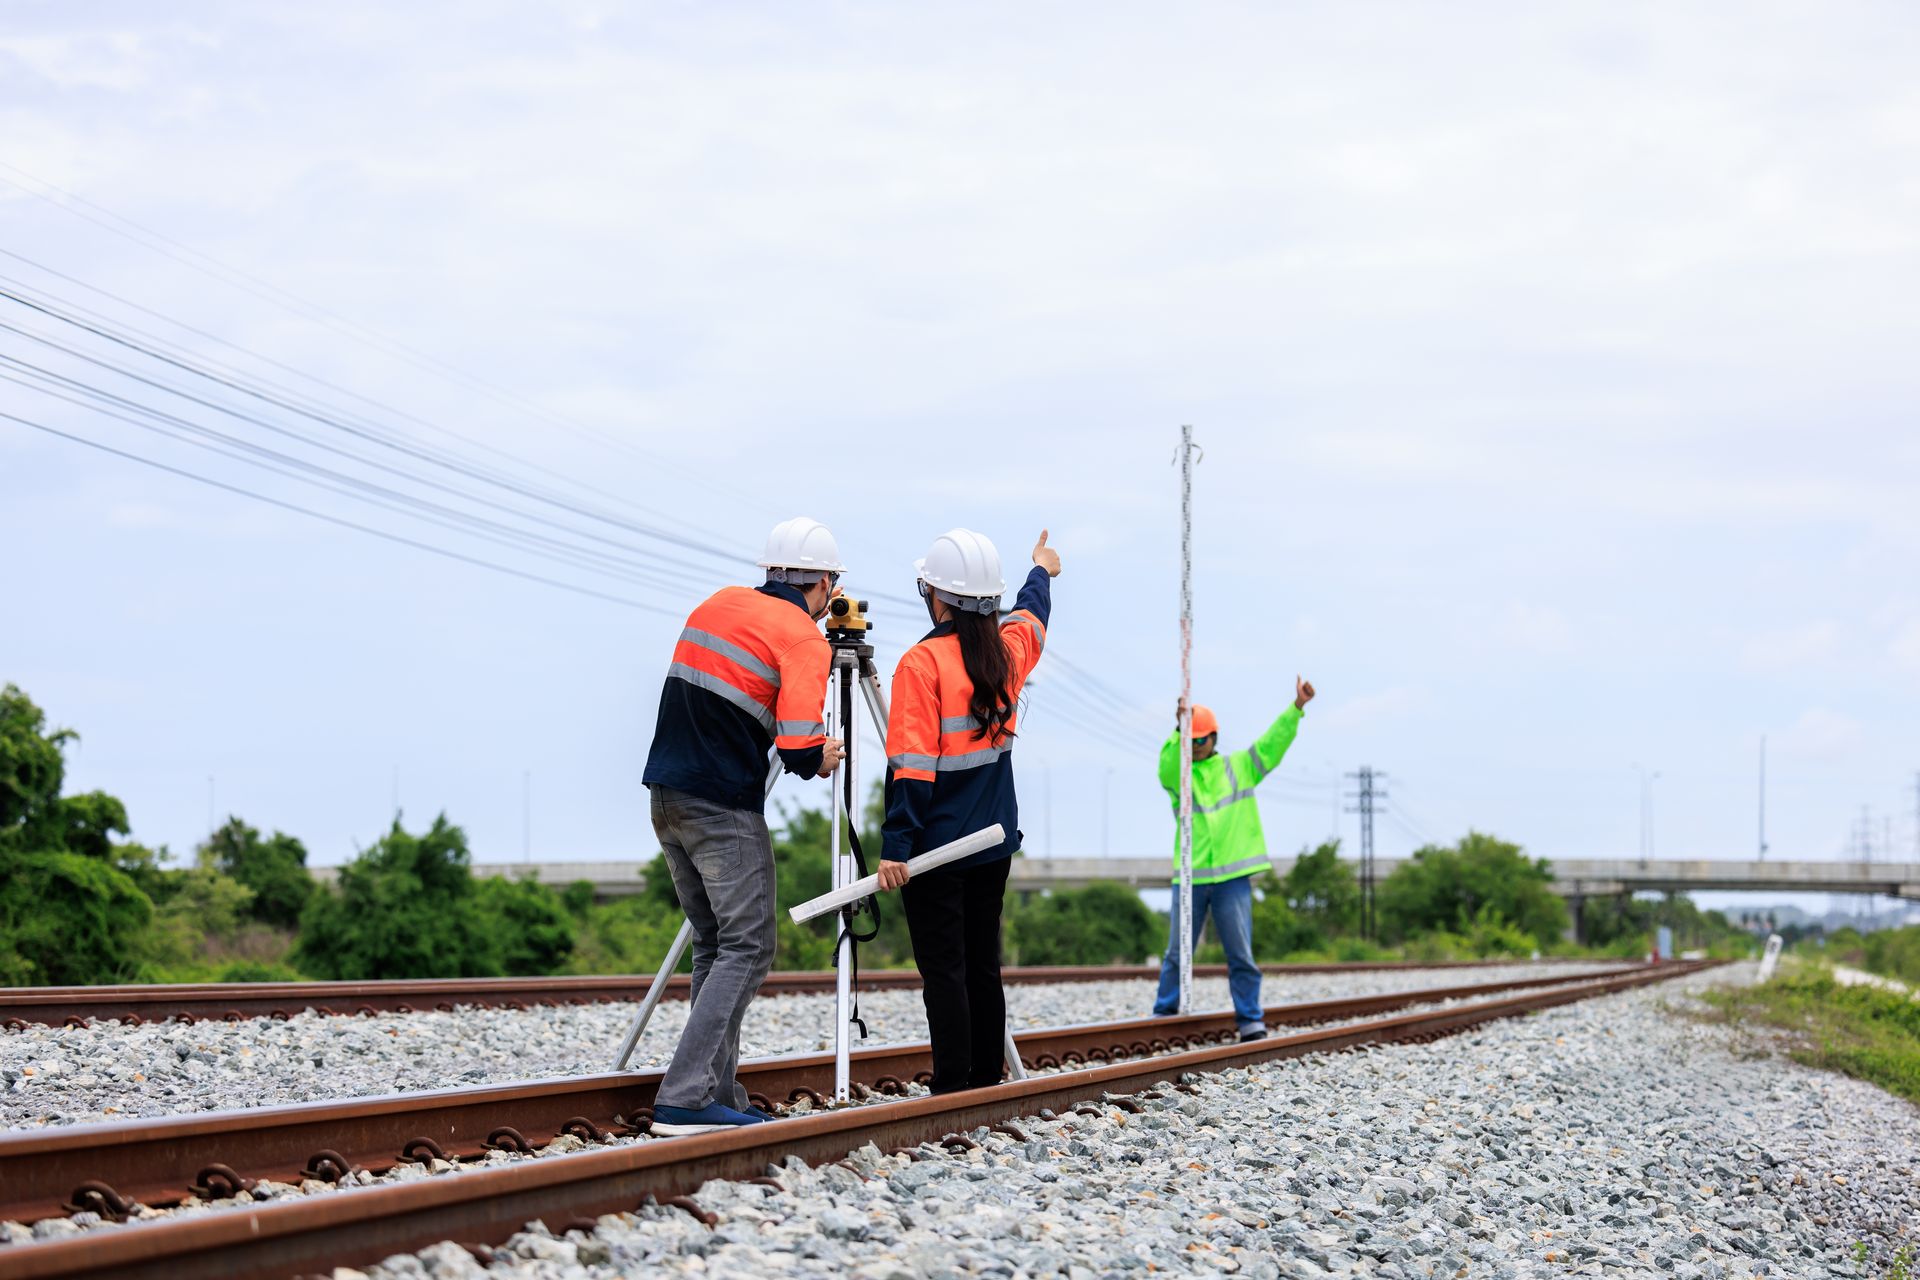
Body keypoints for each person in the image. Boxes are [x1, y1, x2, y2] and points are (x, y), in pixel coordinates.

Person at [640, 516, 847, 1134]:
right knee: (750, 945)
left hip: (665, 796)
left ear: (771, 572)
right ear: (826, 584)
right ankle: (683, 1096)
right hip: (722, 807)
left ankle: (716, 1093)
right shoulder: (806, 640)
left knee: (716, 945)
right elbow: (803, 749)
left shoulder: (718, 604)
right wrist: (826, 756)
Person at [875, 528, 1061, 1093]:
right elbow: (1032, 617)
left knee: (944, 971)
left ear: (937, 597)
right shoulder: (1005, 654)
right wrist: (1042, 571)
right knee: (982, 963)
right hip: (992, 843)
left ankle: (952, 1087)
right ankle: (985, 1078)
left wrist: (895, 849)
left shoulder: (921, 664)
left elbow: (911, 766)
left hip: (935, 850)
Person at [1153, 677, 1316, 1040]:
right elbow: (1165, 766)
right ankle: (1162, 1017)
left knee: (1240, 953)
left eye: (1200, 740)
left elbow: (1272, 745)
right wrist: (1176, 728)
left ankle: (1250, 1020)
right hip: (1191, 878)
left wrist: (1296, 709)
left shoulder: (1239, 767)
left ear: (1214, 738)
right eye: (1189, 741)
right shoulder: (1178, 774)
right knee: (1177, 954)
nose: (1194, 746)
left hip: (1231, 880)